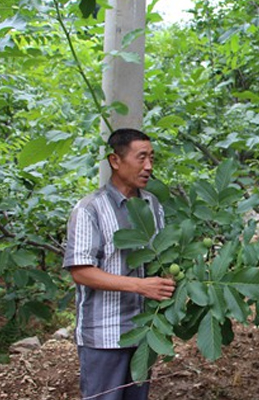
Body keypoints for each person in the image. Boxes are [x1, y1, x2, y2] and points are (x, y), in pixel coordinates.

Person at [63, 128, 176, 400]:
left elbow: (160, 259)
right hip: (104, 335)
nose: (148, 166)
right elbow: (81, 272)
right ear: (115, 160)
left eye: (152, 158)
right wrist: (140, 286)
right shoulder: (89, 209)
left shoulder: (152, 204)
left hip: (143, 333)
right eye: (141, 158)